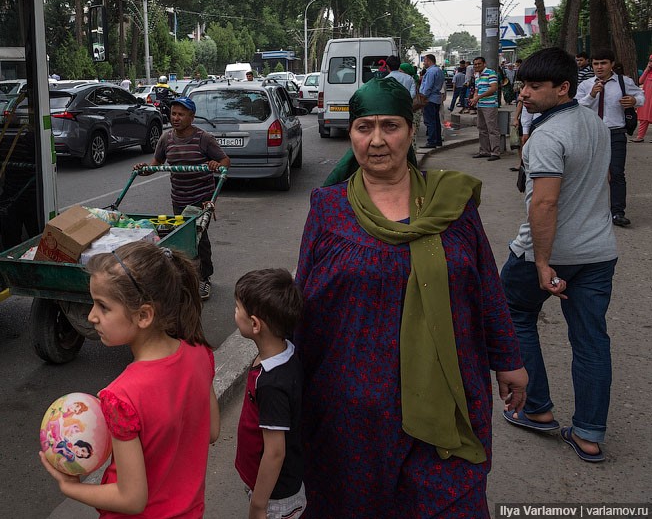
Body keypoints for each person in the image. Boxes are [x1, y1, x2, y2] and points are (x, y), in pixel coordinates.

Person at [294, 76, 526, 518]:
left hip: (449, 395)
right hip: (353, 412)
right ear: (352, 134)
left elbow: (485, 286)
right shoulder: (328, 209)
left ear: (411, 129)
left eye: (390, 126)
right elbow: (305, 302)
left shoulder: (452, 202)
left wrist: (509, 359)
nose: (377, 140)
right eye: (365, 127)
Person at [40, 242, 220, 517]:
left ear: (144, 315)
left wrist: (69, 487)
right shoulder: (200, 354)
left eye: (103, 306)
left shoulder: (120, 397)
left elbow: (132, 499)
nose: (91, 316)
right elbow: (211, 431)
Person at [500, 47, 617, 463]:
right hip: (599, 251)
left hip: (548, 253)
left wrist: (543, 263)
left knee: (513, 314)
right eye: (523, 85)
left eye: (535, 86)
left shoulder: (548, 136)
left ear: (564, 88)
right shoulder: (594, 123)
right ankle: (588, 435)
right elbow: (601, 180)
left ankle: (537, 408)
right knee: (591, 341)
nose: (525, 94)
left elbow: (544, 204)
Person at [135, 96, 230, 300]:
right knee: (181, 238)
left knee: (198, 237)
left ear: (191, 117)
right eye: (173, 114)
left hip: (202, 198)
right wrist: (144, 170)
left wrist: (216, 164)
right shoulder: (166, 138)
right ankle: (186, 276)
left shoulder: (204, 138)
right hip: (179, 197)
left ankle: (204, 278)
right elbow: (157, 162)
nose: (176, 118)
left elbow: (225, 161)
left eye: (181, 114)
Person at [234, 268, 306, 519]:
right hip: (274, 488)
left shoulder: (272, 383)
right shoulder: (287, 353)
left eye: (236, 308)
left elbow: (275, 452)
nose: (234, 313)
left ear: (255, 324)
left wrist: (258, 505)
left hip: (275, 497)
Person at [575, 47, 644, 227]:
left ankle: (617, 212)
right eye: (596, 63)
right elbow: (577, 106)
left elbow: (640, 94)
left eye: (603, 63)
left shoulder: (624, 82)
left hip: (616, 133)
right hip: (592, 134)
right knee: (590, 173)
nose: (599, 67)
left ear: (611, 64)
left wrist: (634, 101)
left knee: (616, 173)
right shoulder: (586, 85)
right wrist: (591, 95)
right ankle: (590, 212)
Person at [469, 56, 502, 161]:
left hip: (490, 105)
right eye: (475, 64)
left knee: (492, 129)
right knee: (482, 129)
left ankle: (495, 152)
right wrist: (475, 98)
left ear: (484, 64)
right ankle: (484, 151)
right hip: (480, 105)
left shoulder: (491, 73)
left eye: (479, 64)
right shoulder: (477, 75)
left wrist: (478, 97)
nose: (477, 66)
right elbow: (477, 89)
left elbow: (493, 88)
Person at [418, 53, 445, 150]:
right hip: (436, 98)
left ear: (429, 61)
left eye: (424, 61)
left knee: (430, 121)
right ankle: (437, 140)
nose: (424, 63)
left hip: (429, 99)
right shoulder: (438, 70)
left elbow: (428, 86)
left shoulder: (430, 72)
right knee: (436, 120)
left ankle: (432, 141)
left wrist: (423, 97)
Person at [634, 54, 652, 142]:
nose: (650, 63)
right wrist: (647, 69)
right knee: (644, 118)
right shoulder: (648, 72)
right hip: (647, 99)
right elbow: (640, 81)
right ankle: (640, 137)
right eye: (650, 61)